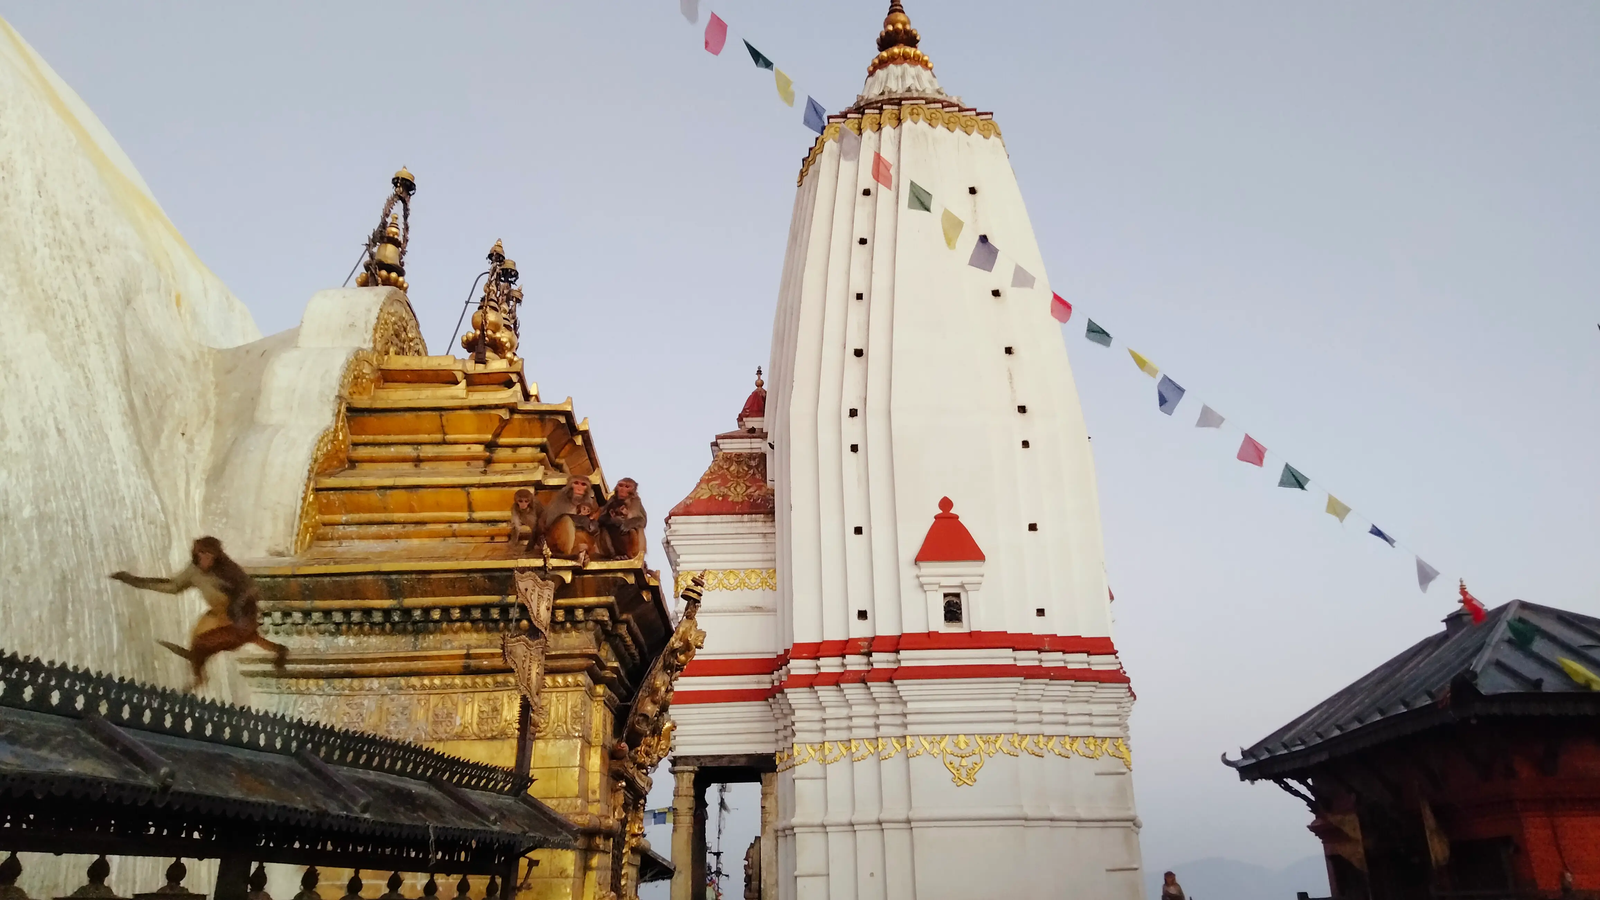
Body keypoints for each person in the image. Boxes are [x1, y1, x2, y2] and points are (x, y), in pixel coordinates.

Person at [111, 536, 287, 688]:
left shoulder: (226, 569)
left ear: (216, 556)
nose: (205, 560)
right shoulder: (193, 571)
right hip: (220, 614)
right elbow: (173, 586)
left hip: (238, 617)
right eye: (201, 555)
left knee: (205, 643)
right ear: (195, 554)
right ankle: (200, 674)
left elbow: (251, 588)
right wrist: (136, 581)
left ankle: (200, 675)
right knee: (198, 642)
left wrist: (236, 606)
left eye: (208, 555)